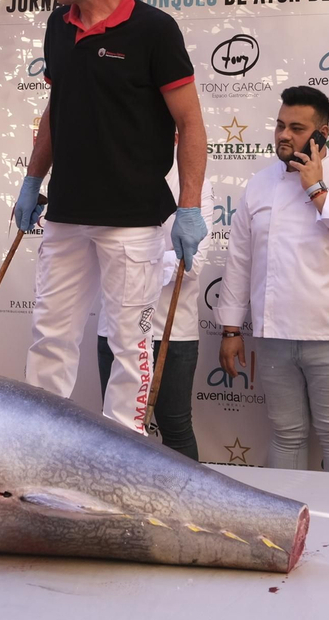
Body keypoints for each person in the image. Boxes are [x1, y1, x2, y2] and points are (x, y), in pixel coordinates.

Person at [11, 0, 207, 435]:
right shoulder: (58, 24)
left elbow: (190, 123)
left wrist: (189, 206)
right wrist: (33, 179)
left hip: (132, 219)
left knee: (128, 342)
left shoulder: (153, 30)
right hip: (67, 211)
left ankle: (125, 453)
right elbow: (56, 106)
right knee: (50, 336)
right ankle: (37, 447)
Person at [215, 86, 329, 473]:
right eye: (279, 126)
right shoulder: (259, 184)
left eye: (296, 128)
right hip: (275, 335)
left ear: (322, 132)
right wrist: (229, 330)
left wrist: (317, 190)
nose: (284, 136)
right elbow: (240, 259)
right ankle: (285, 530)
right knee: (286, 434)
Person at [95, 162, 213, 460]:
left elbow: (191, 264)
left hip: (172, 332)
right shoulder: (112, 175)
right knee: (115, 426)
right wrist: (137, 262)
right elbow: (93, 252)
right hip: (116, 328)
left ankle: (184, 506)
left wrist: (128, 264)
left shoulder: (195, 185)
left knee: (175, 428)